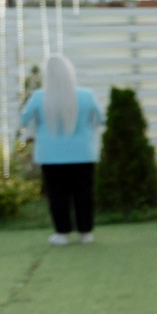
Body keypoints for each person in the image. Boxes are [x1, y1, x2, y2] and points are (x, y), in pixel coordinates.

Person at [20, 53, 103, 246]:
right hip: (83, 153)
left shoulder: (38, 97)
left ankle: (62, 233)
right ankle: (86, 232)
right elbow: (100, 119)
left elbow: (24, 120)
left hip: (50, 155)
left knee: (57, 194)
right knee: (84, 193)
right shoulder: (87, 95)